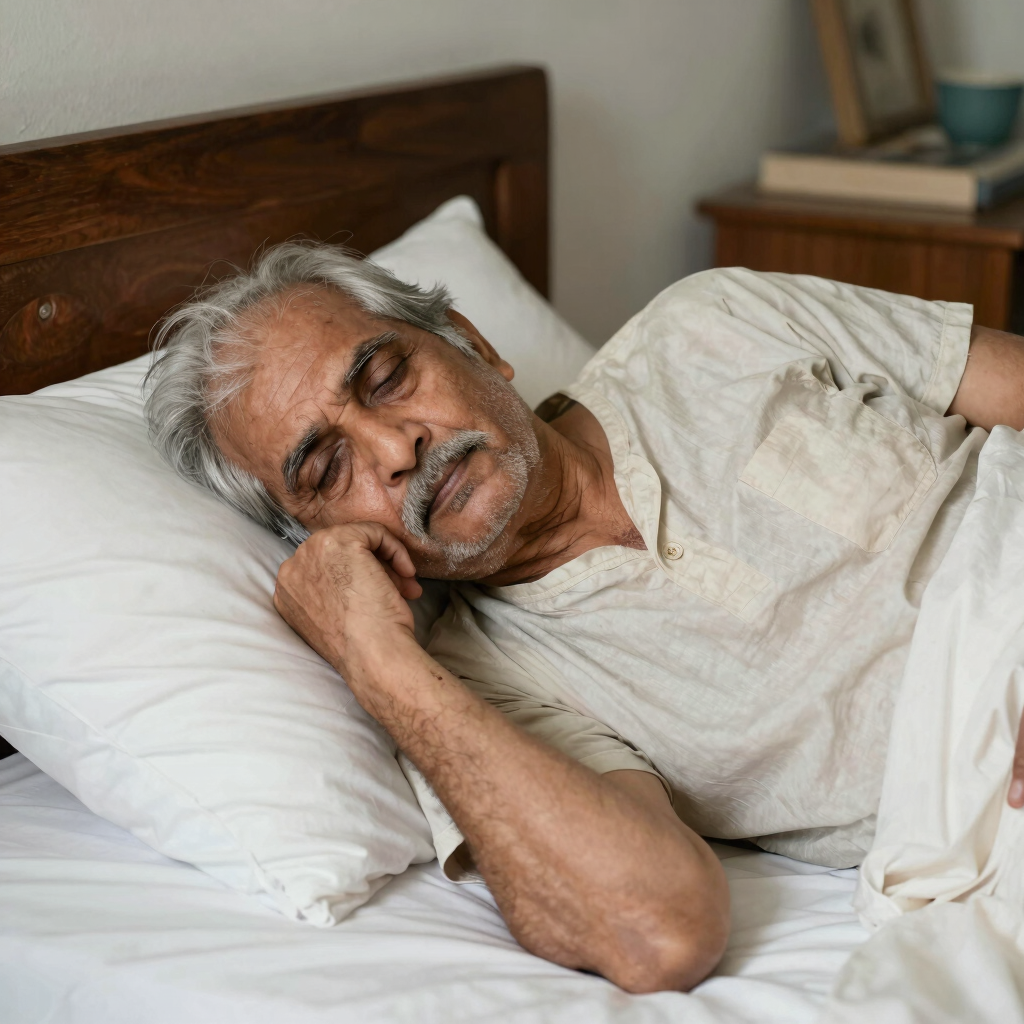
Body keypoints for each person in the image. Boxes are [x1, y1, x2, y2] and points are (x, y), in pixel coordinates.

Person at [144, 241, 1024, 994]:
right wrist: (375, 661)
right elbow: (657, 933)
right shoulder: (479, 686)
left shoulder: (711, 322)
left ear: (475, 344)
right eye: (327, 470)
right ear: (322, 536)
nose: (394, 447)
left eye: (385, 377)